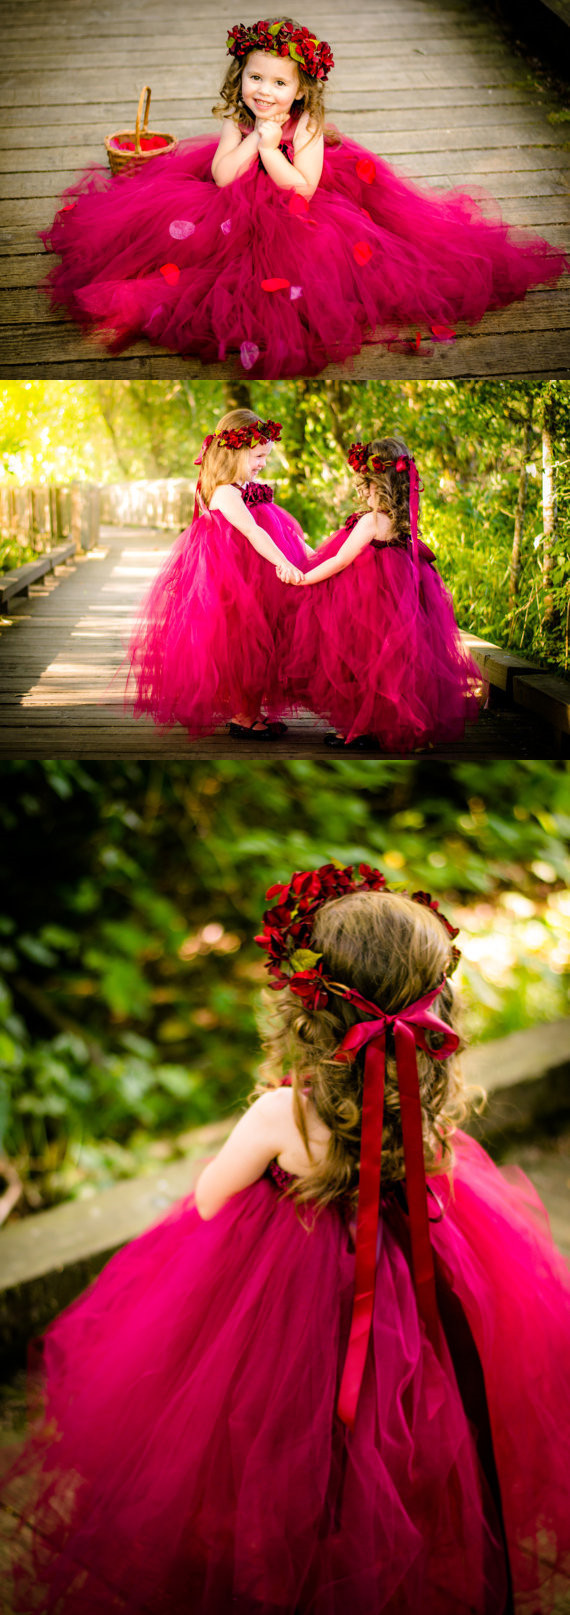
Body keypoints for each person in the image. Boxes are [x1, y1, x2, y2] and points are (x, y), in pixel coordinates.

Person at [4, 862, 570, 1614]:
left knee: (268, 1427)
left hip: (282, 1297)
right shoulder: (425, 1104)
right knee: (397, 1423)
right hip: (407, 1284)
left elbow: (211, 1198)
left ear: (310, 1009)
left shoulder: (283, 1115)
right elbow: (430, 1175)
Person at [40, 18, 568, 378]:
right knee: (185, 243)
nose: (264, 91)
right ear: (239, 79)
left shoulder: (308, 124)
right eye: (255, 77)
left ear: (300, 91)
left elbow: (303, 188)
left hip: (298, 202)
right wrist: (254, 139)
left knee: (318, 258)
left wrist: (274, 149)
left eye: (278, 83)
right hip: (230, 202)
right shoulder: (236, 121)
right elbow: (221, 177)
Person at [274, 434, 482, 749]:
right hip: (397, 596)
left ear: (378, 485)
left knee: (358, 661)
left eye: (365, 485)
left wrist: (303, 579)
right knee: (388, 665)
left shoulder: (371, 522)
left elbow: (340, 561)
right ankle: (375, 726)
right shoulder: (400, 518)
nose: (362, 491)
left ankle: (360, 730)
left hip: (366, 601)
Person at [126, 408, 306, 738]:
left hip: (255, 574)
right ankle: (242, 716)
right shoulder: (226, 492)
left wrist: (304, 552)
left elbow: (278, 526)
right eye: (258, 456)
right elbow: (253, 532)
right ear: (235, 452)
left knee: (262, 642)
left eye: (266, 456)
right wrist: (283, 562)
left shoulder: (247, 486)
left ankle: (252, 710)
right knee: (241, 646)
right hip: (232, 578)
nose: (263, 463)